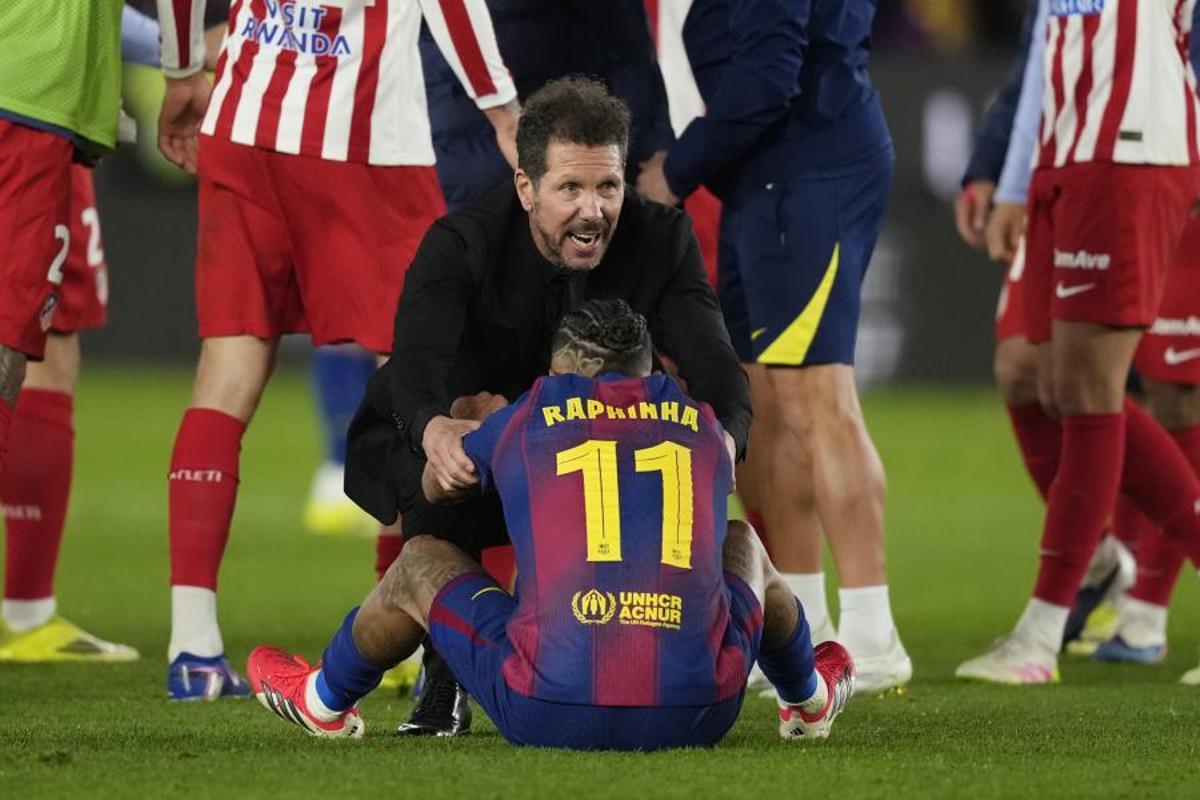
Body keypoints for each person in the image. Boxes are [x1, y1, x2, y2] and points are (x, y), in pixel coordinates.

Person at [248, 299, 853, 749]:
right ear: (648, 367)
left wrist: (467, 424)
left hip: (547, 705)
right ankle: (808, 700)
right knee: (741, 542)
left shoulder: (529, 415)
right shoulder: (702, 427)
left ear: (563, 366)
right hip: (702, 708)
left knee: (419, 563)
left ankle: (325, 701)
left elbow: (436, 483)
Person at [344, 76, 751, 734]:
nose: (593, 211)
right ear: (526, 187)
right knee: (445, 436)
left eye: (608, 187)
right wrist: (435, 429)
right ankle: (441, 669)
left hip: (595, 445)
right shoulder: (461, 242)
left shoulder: (663, 239)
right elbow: (413, 367)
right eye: (571, 189)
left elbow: (716, 368)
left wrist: (727, 438)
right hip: (476, 437)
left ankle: (622, 644)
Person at [153, 0, 520, 701]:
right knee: (419, 376)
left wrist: (178, 74)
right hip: (364, 144)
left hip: (242, 117)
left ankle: (193, 648)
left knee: (226, 374)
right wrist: (502, 110)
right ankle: (408, 631)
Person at [636, 0, 909, 693]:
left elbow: (767, 72)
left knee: (820, 399)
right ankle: (805, 625)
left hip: (807, 167)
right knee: (766, 402)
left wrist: (677, 170)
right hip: (767, 173)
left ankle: (874, 632)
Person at [957, 0, 1200, 685]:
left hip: (1133, 147)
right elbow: (1046, 40)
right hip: (1064, 153)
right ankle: (1056, 613)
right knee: (1055, 382)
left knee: (1093, 388)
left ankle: (1039, 633)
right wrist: (1012, 181)